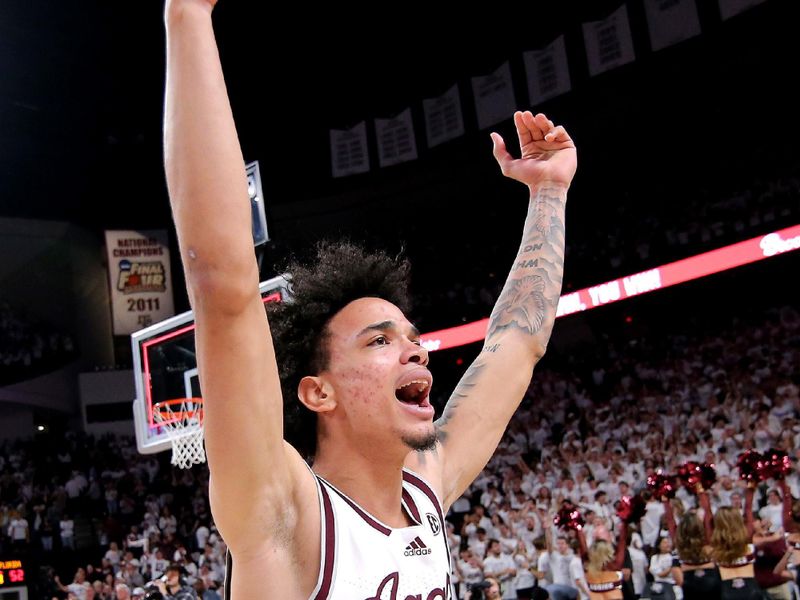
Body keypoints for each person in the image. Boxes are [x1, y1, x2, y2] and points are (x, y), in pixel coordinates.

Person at [163, 0, 576, 598]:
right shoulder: (286, 514)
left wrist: (548, 194)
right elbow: (223, 288)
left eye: (411, 338)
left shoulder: (426, 488)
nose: (415, 351)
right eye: (379, 341)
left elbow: (518, 342)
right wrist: (188, 17)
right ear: (317, 391)